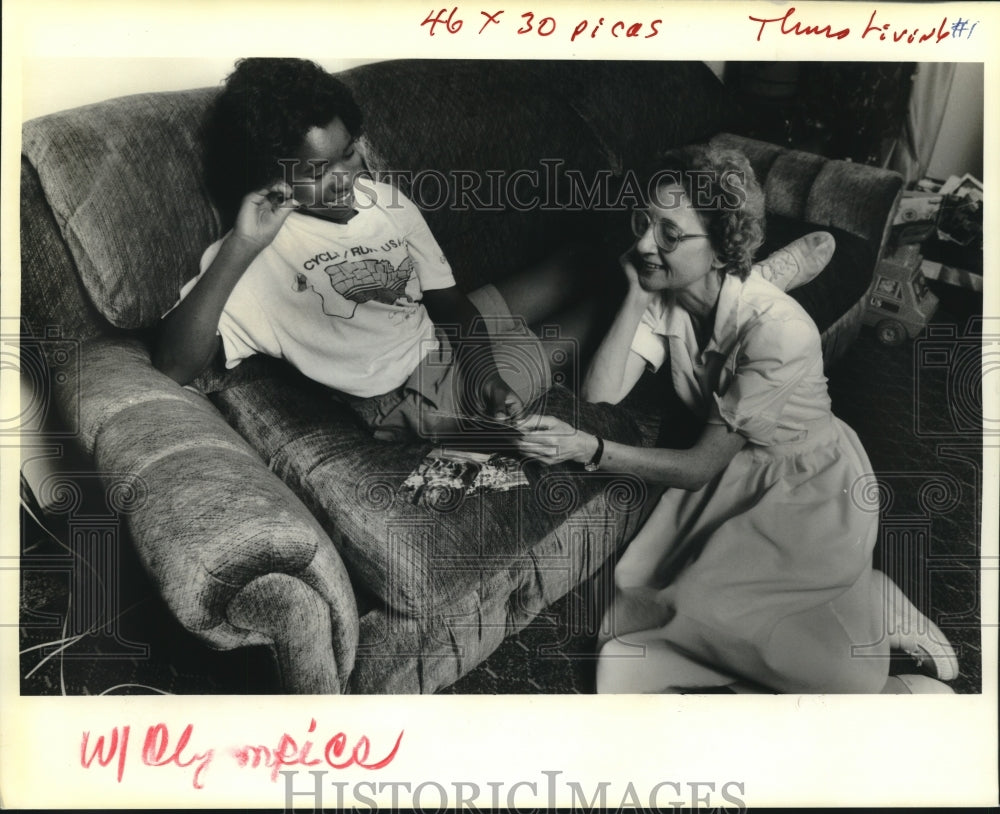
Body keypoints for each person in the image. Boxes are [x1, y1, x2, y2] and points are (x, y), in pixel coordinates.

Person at [512, 144, 959, 693]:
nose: (644, 244)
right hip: (735, 473)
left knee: (819, 672)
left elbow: (698, 465)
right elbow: (599, 397)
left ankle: (874, 619)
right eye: (643, 224)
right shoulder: (665, 293)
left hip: (807, 487)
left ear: (721, 245)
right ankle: (858, 595)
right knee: (648, 613)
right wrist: (633, 295)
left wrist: (591, 450)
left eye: (670, 233)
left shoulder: (778, 330)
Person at [154, 58, 562, 442]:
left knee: (583, 264)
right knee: (591, 315)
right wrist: (242, 246)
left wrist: (483, 370)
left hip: (434, 336)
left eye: (347, 153)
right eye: (317, 172)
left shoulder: (385, 199)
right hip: (409, 396)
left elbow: (451, 304)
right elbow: (173, 365)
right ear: (272, 178)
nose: (345, 178)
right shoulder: (257, 249)